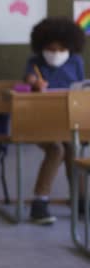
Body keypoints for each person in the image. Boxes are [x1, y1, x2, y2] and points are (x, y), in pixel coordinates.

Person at [23, 16, 86, 225]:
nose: (56, 53)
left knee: (72, 148)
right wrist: (33, 84)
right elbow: (27, 83)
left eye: (61, 49)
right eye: (51, 48)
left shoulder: (76, 62)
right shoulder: (34, 64)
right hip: (40, 124)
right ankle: (40, 203)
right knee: (56, 149)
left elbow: (81, 92)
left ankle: (80, 200)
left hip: (68, 123)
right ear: (42, 46)